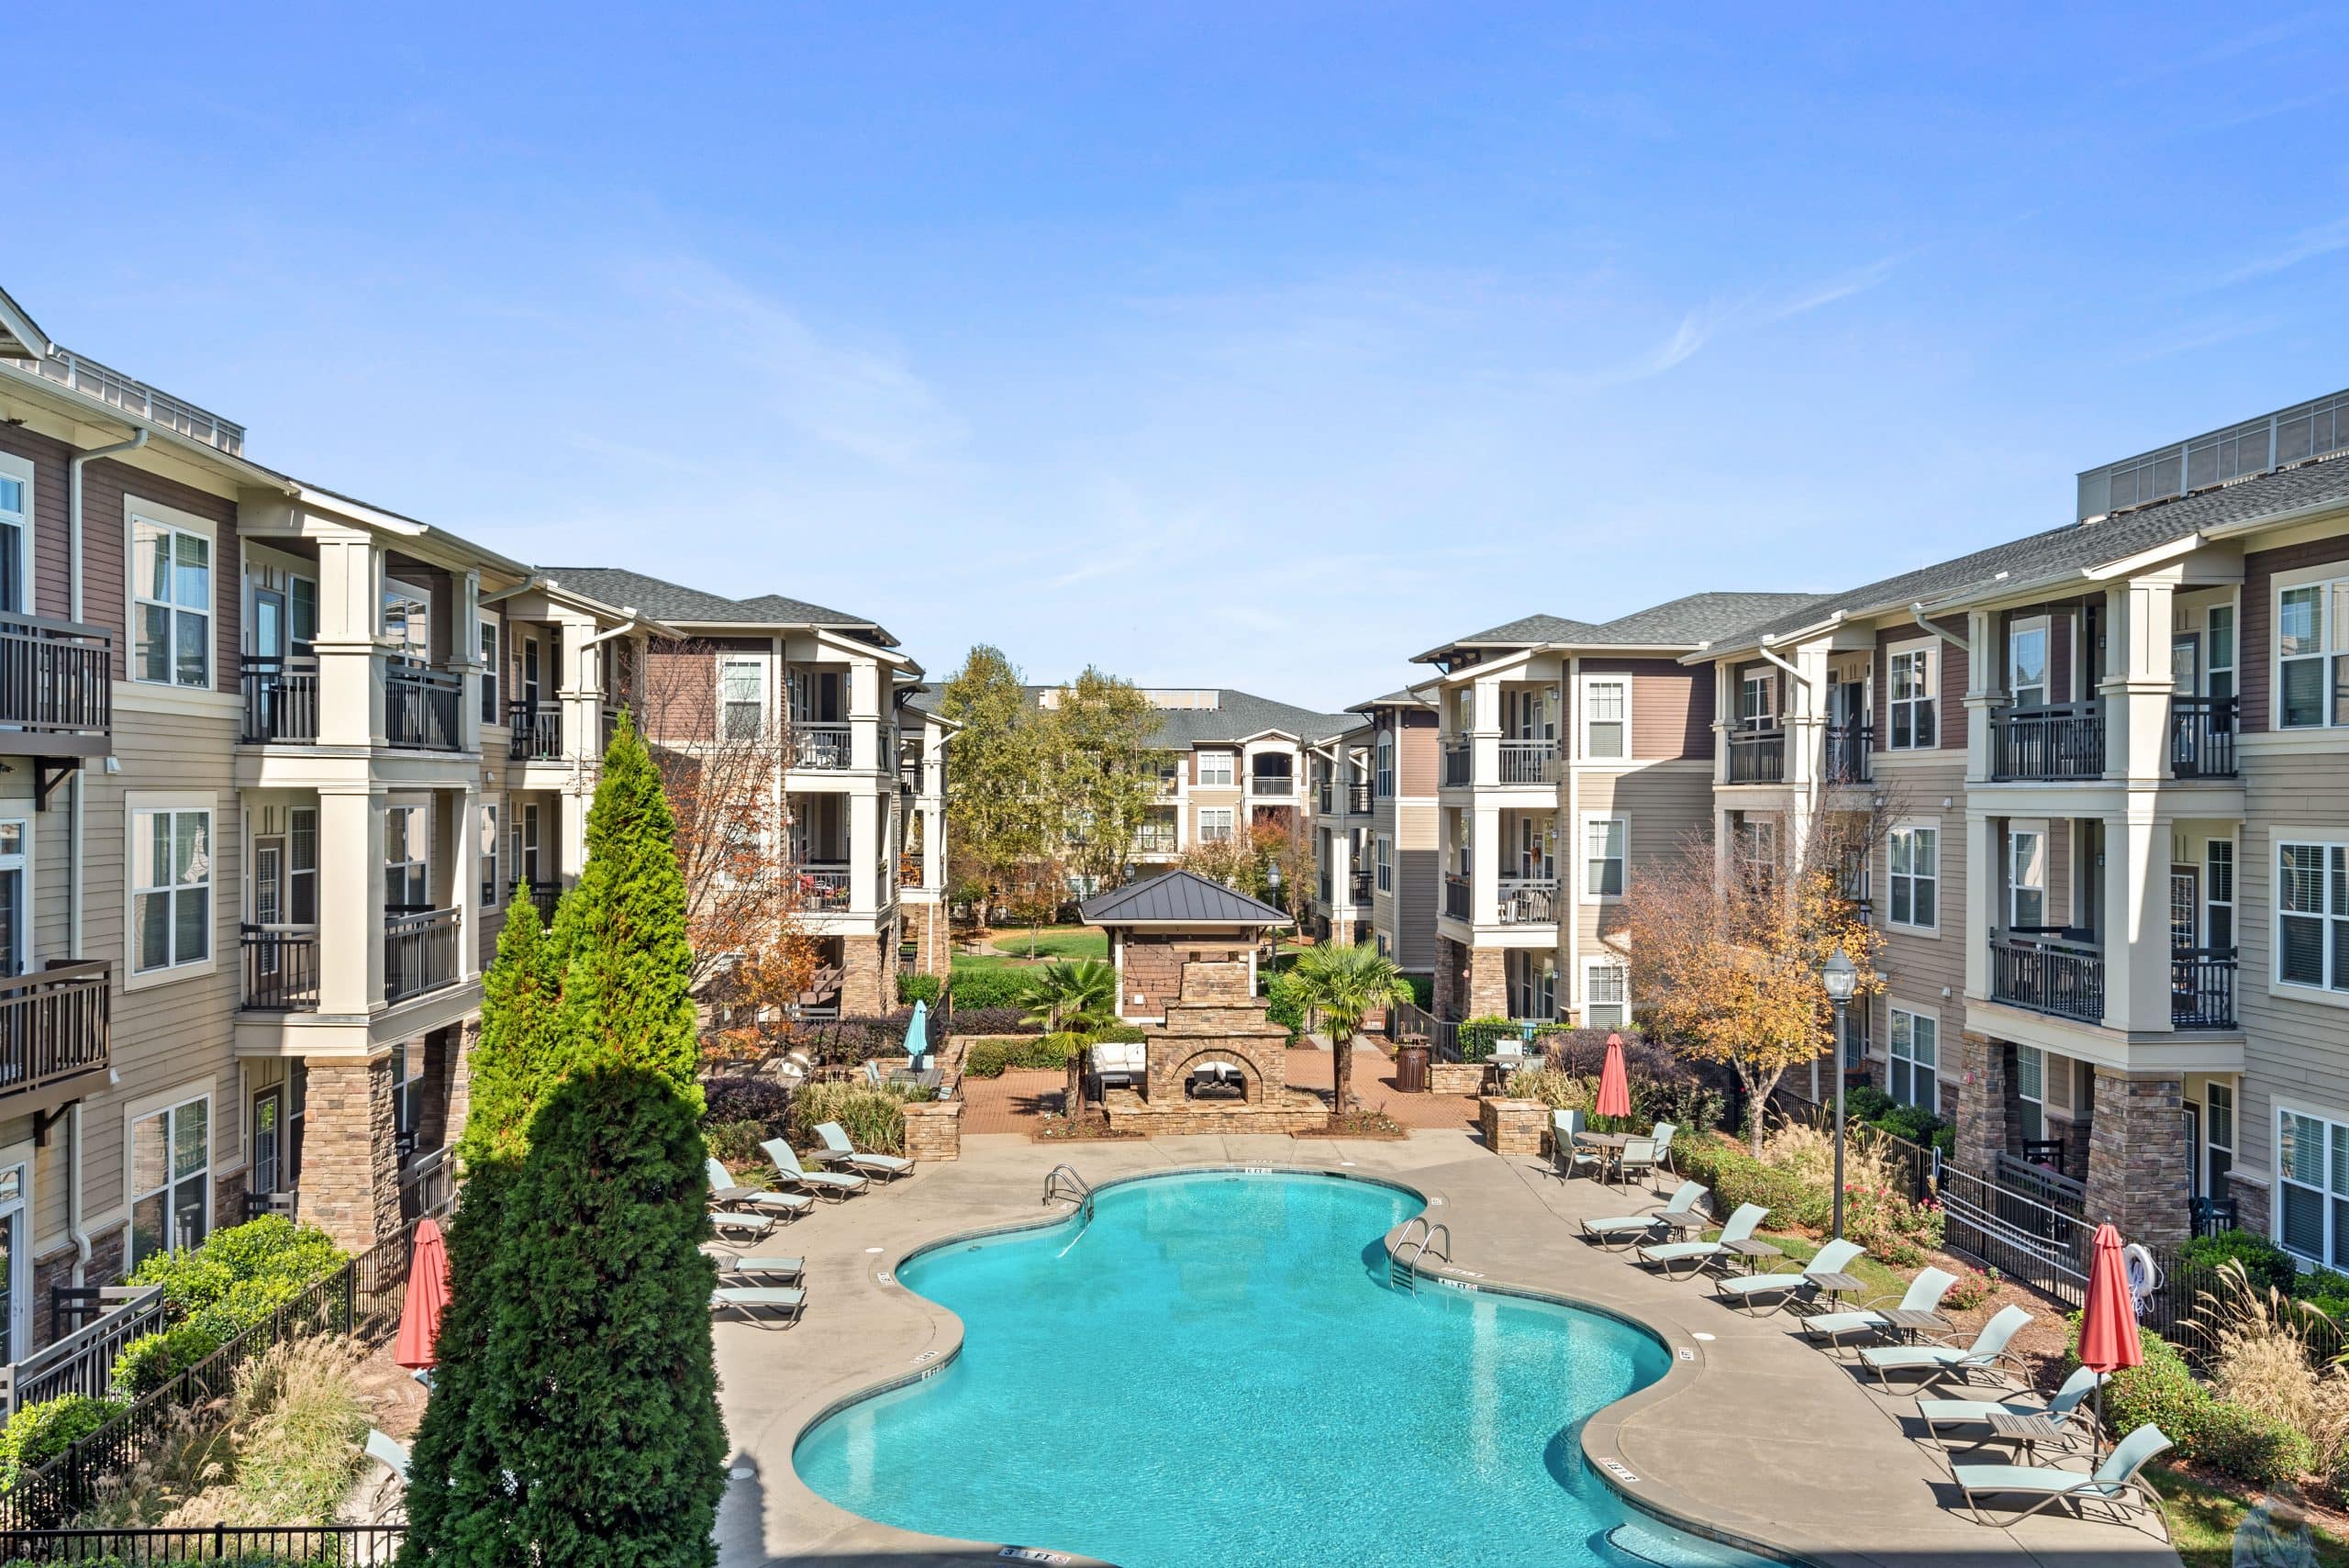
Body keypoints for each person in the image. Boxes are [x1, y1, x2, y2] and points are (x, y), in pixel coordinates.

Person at [2233, 1484, 2317, 1568]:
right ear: (2277, 1508)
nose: (2300, 1518)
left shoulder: (2300, 1530)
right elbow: (2242, 1565)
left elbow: (2311, 1561)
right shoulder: (2251, 1528)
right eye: (2293, 1512)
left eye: (2299, 1514)